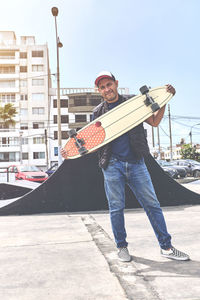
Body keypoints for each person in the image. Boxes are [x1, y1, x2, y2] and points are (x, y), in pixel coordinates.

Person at [61, 71, 190, 262]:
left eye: (109, 84)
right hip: (111, 165)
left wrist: (165, 100)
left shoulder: (133, 102)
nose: (107, 89)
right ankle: (121, 247)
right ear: (99, 91)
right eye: (102, 87)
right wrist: (69, 151)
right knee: (116, 208)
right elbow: (90, 143)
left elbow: (154, 121)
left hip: (136, 162)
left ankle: (167, 247)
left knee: (152, 205)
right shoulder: (97, 112)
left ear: (116, 84)